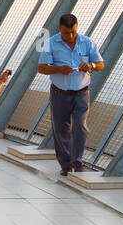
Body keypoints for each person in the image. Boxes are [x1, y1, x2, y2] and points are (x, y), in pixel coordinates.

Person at [37, 13, 104, 176]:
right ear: (60, 29)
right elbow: (42, 68)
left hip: (82, 92)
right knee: (61, 128)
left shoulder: (87, 42)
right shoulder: (50, 43)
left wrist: (90, 65)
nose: (70, 36)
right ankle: (65, 164)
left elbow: (100, 64)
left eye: (73, 32)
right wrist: (59, 69)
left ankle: (77, 162)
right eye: (66, 33)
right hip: (60, 92)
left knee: (80, 126)